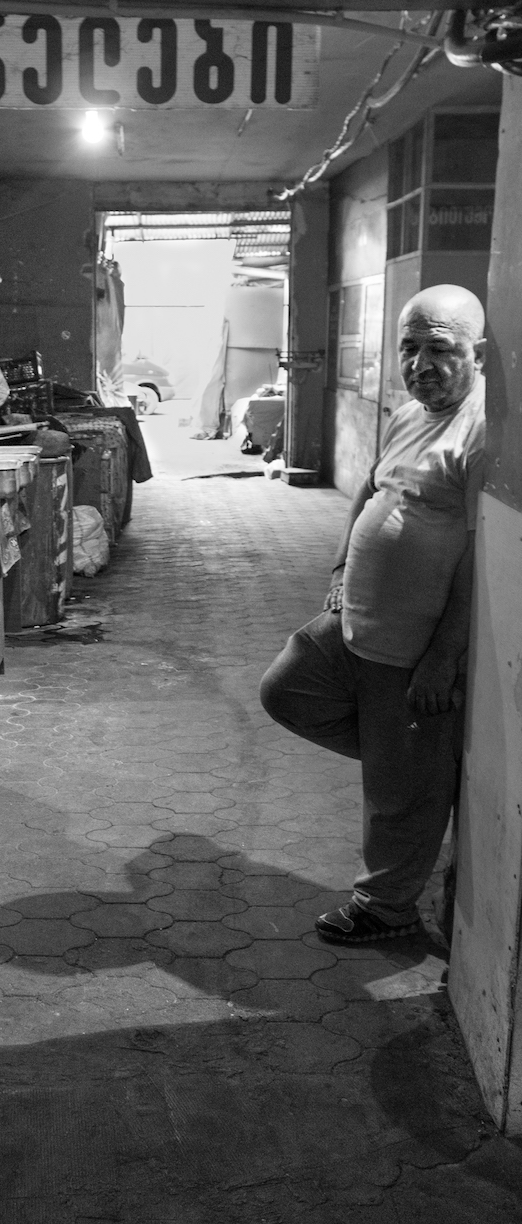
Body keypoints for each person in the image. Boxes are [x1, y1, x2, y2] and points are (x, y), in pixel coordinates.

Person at [259, 284, 486, 943]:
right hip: (355, 622)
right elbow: (367, 489)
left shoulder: (482, 434)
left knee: (398, 792)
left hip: (409, 646)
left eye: (440, 348)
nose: (421, 364)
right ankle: (419, 772)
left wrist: (445, 654)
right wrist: (338, 568)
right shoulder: (410, 414)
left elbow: (479, 555)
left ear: (480, 354)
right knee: (289, 689)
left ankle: (387, 909)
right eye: (409, 348)